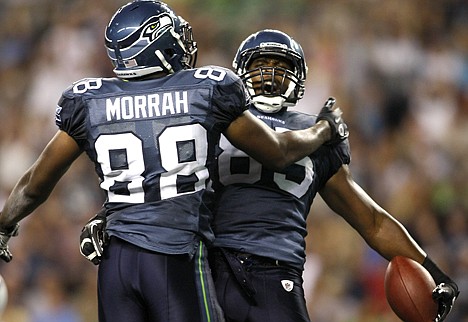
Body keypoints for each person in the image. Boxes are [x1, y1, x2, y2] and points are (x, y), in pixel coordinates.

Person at [0, 2, 348, 322]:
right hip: (175, 254)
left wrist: (4, 226)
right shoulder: (205, 90)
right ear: (155, 42)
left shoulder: (90, 100)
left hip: (116, 263)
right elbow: (277, 152)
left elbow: (33, 185)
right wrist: (322, 130)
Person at [206, 29, 459, 322]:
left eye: (280, 66)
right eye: (260, 64)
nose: (270, 74)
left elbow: (372, 221)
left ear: (297, 77)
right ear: (241, 72)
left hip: (278, 271)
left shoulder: (310, 129)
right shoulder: (217, 117)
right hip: (213, 262)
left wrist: (434, 272)